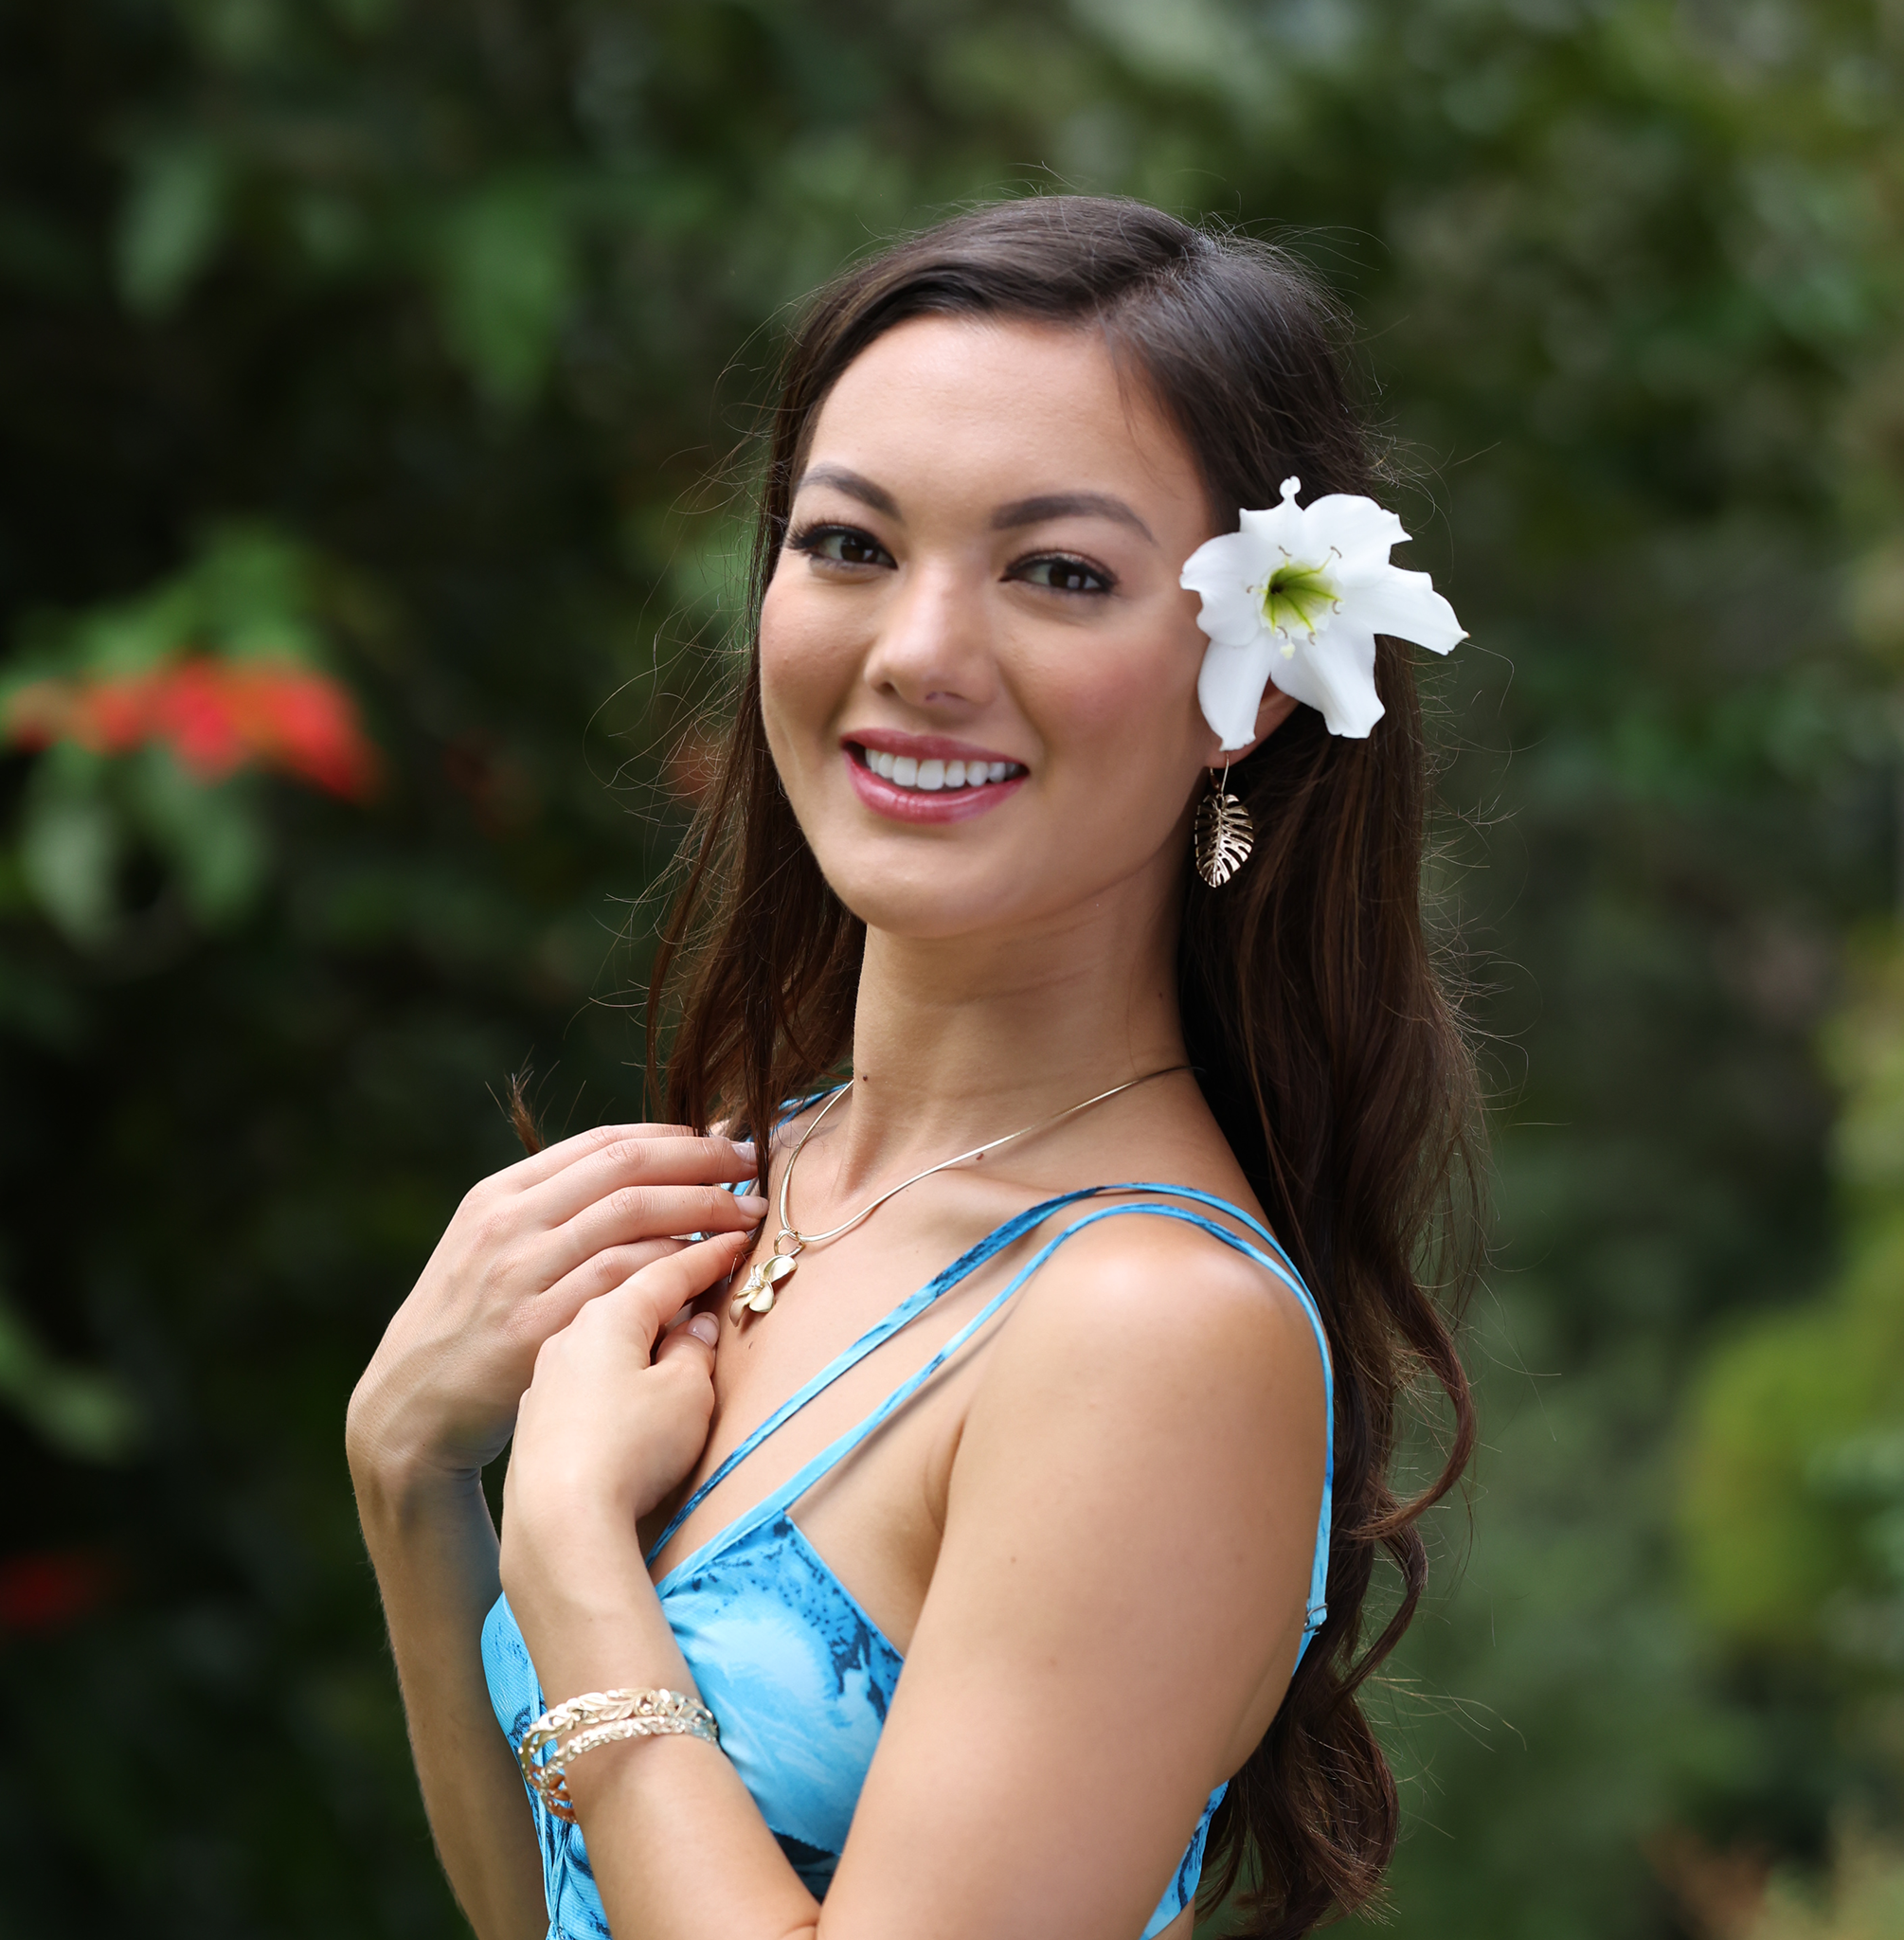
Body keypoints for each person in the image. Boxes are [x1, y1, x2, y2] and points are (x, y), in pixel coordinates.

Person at [347, 195, 1480, 1940]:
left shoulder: (1149, 1328)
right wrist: (411, 1478)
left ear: (1246, 684)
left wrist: (571, 1552)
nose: (920, 655)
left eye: (1060, 573)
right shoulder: (738, 1185)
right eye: (851, 545)